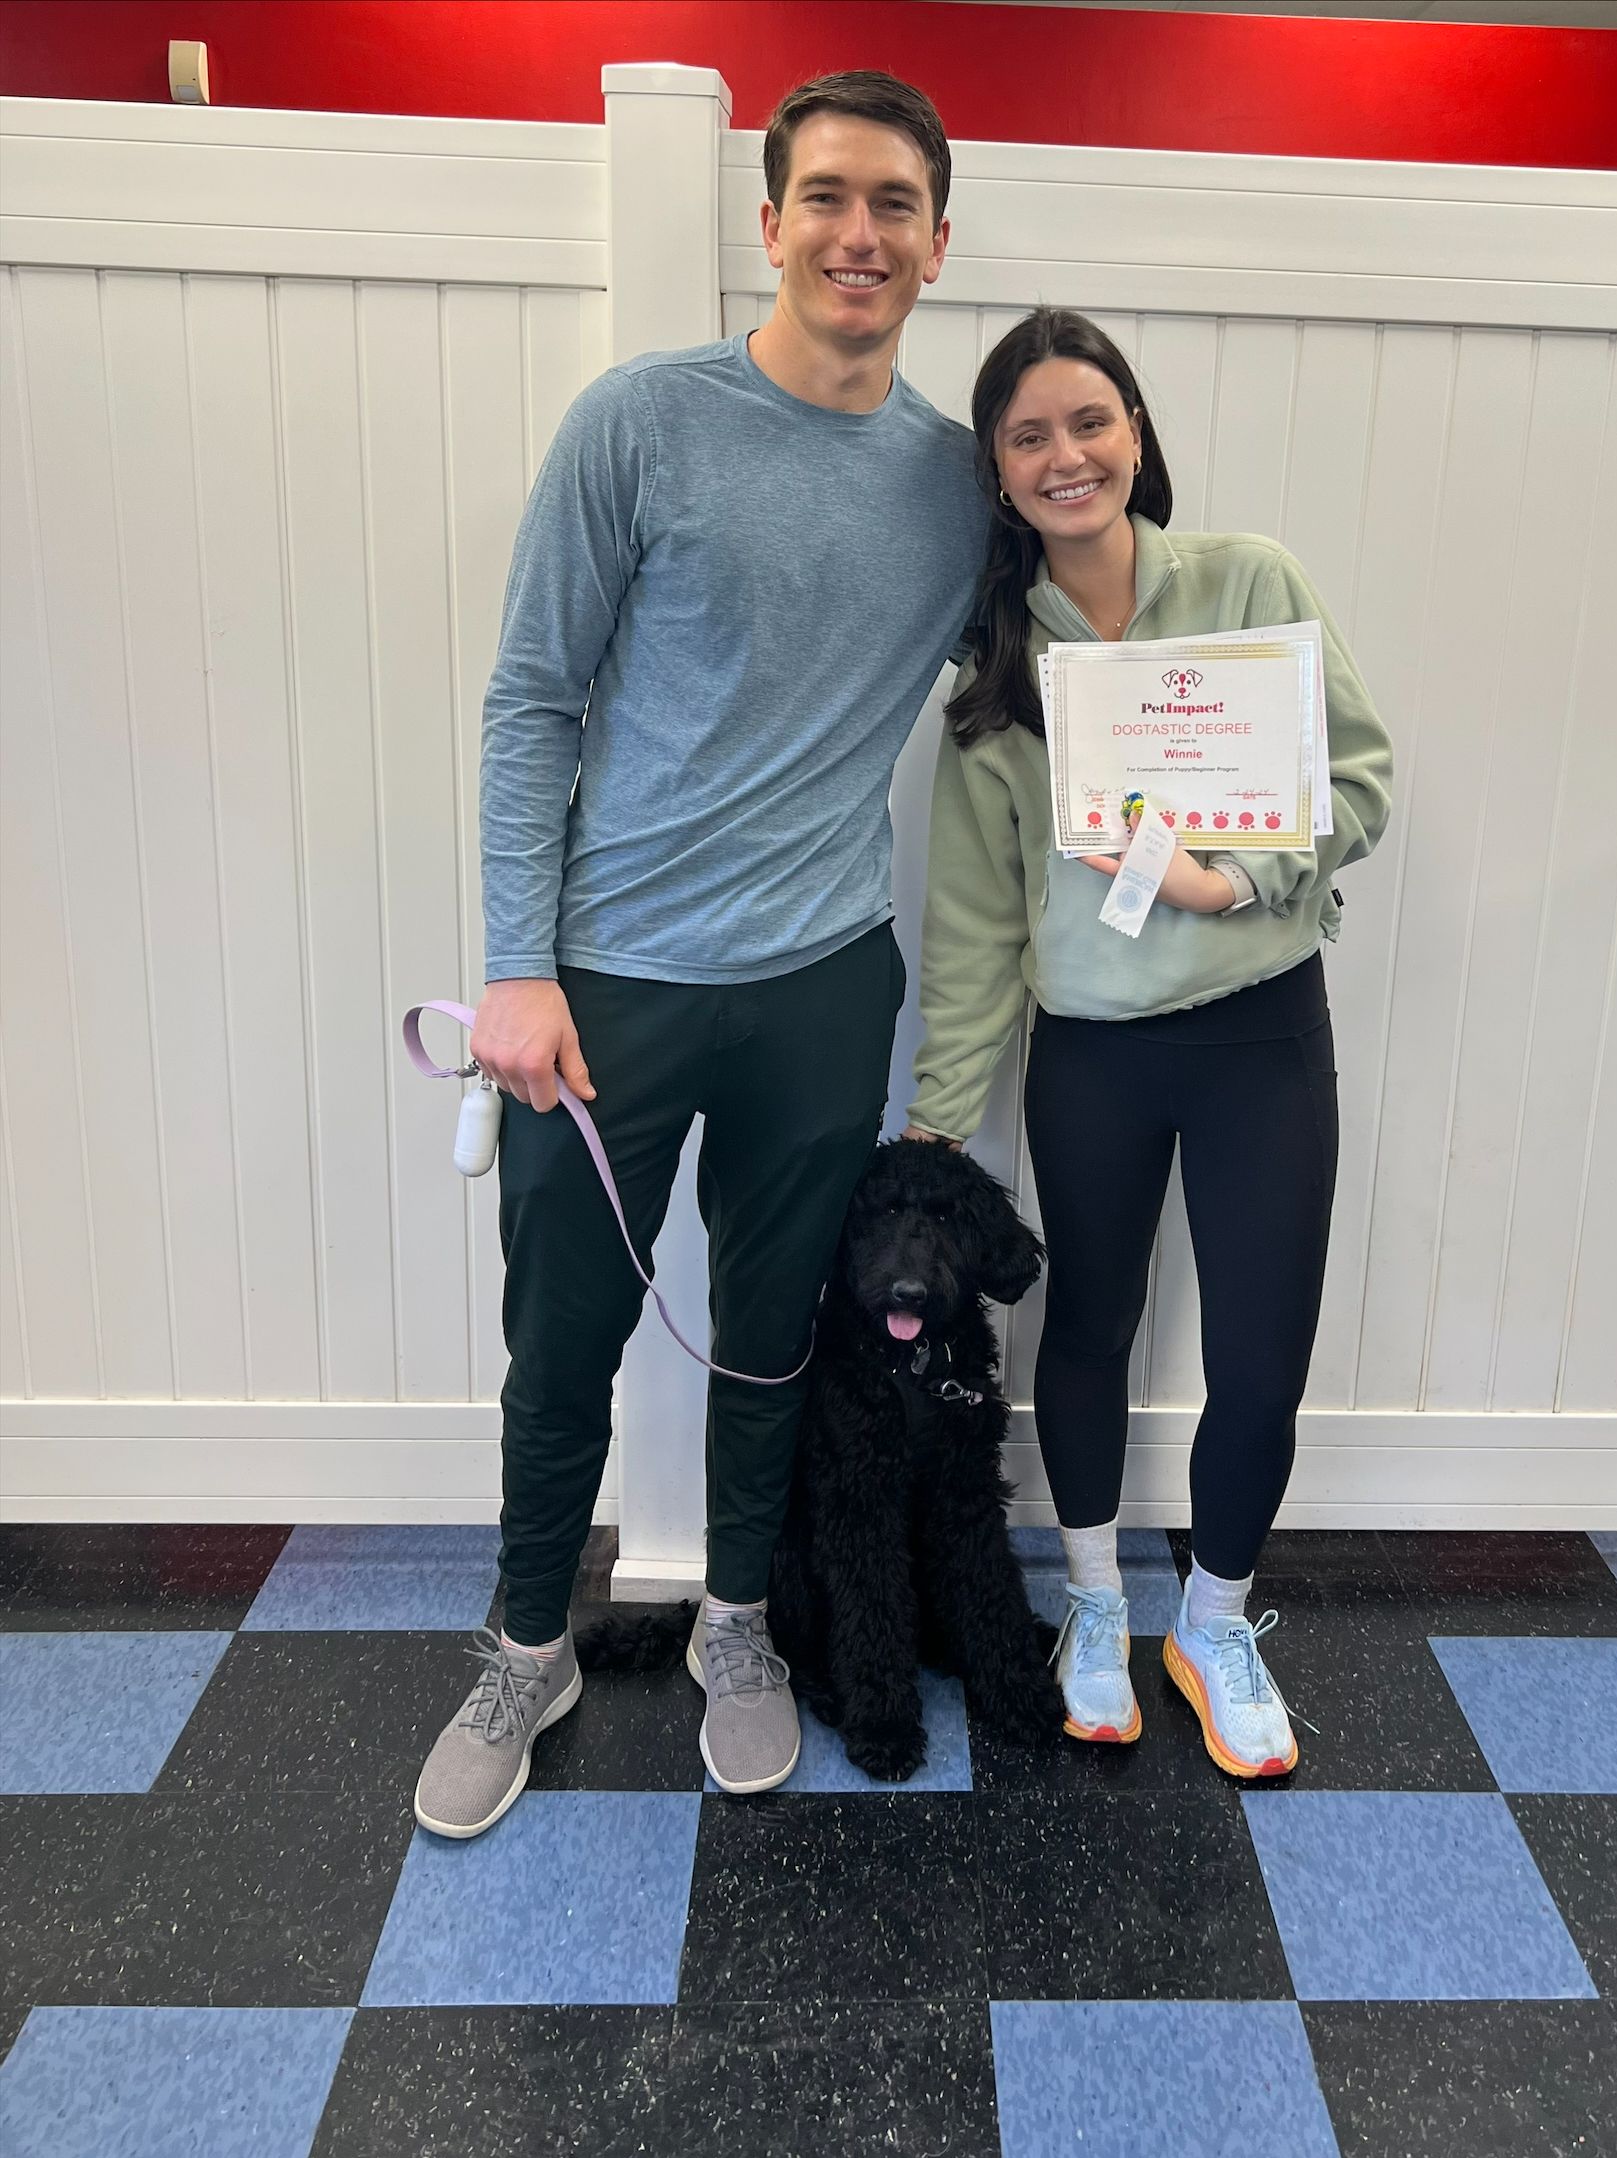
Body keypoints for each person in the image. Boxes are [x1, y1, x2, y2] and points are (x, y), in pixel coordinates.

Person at [414, 72, 985, 1831]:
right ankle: (528, 1642)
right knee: (563, 1335)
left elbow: (1096, 638)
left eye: (893, 204)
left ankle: (741, 1627)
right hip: (607, 991)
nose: (857, 233)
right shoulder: (639, 424)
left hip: (822, 983)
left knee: (768, 1336)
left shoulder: (961, 486)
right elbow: (529, 701)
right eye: (826, 197)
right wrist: (519, 964)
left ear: (937, 242)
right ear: (770, 222)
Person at [906, 308, 1393, 1777]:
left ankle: (1219, 1623)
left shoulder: (1249, 587)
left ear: (1135, 435)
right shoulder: (992, 679)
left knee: (1259, 1356)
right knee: (1088, 1331)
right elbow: (977, 930)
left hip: (1258, 1037)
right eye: (1029, 436)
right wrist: (938, 1118)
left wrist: (1231, 880)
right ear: (997, 475)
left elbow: (1358, 789)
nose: (1067, 456)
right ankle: (1100, 1606)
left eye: (1089, 422)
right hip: (1095, 1055)